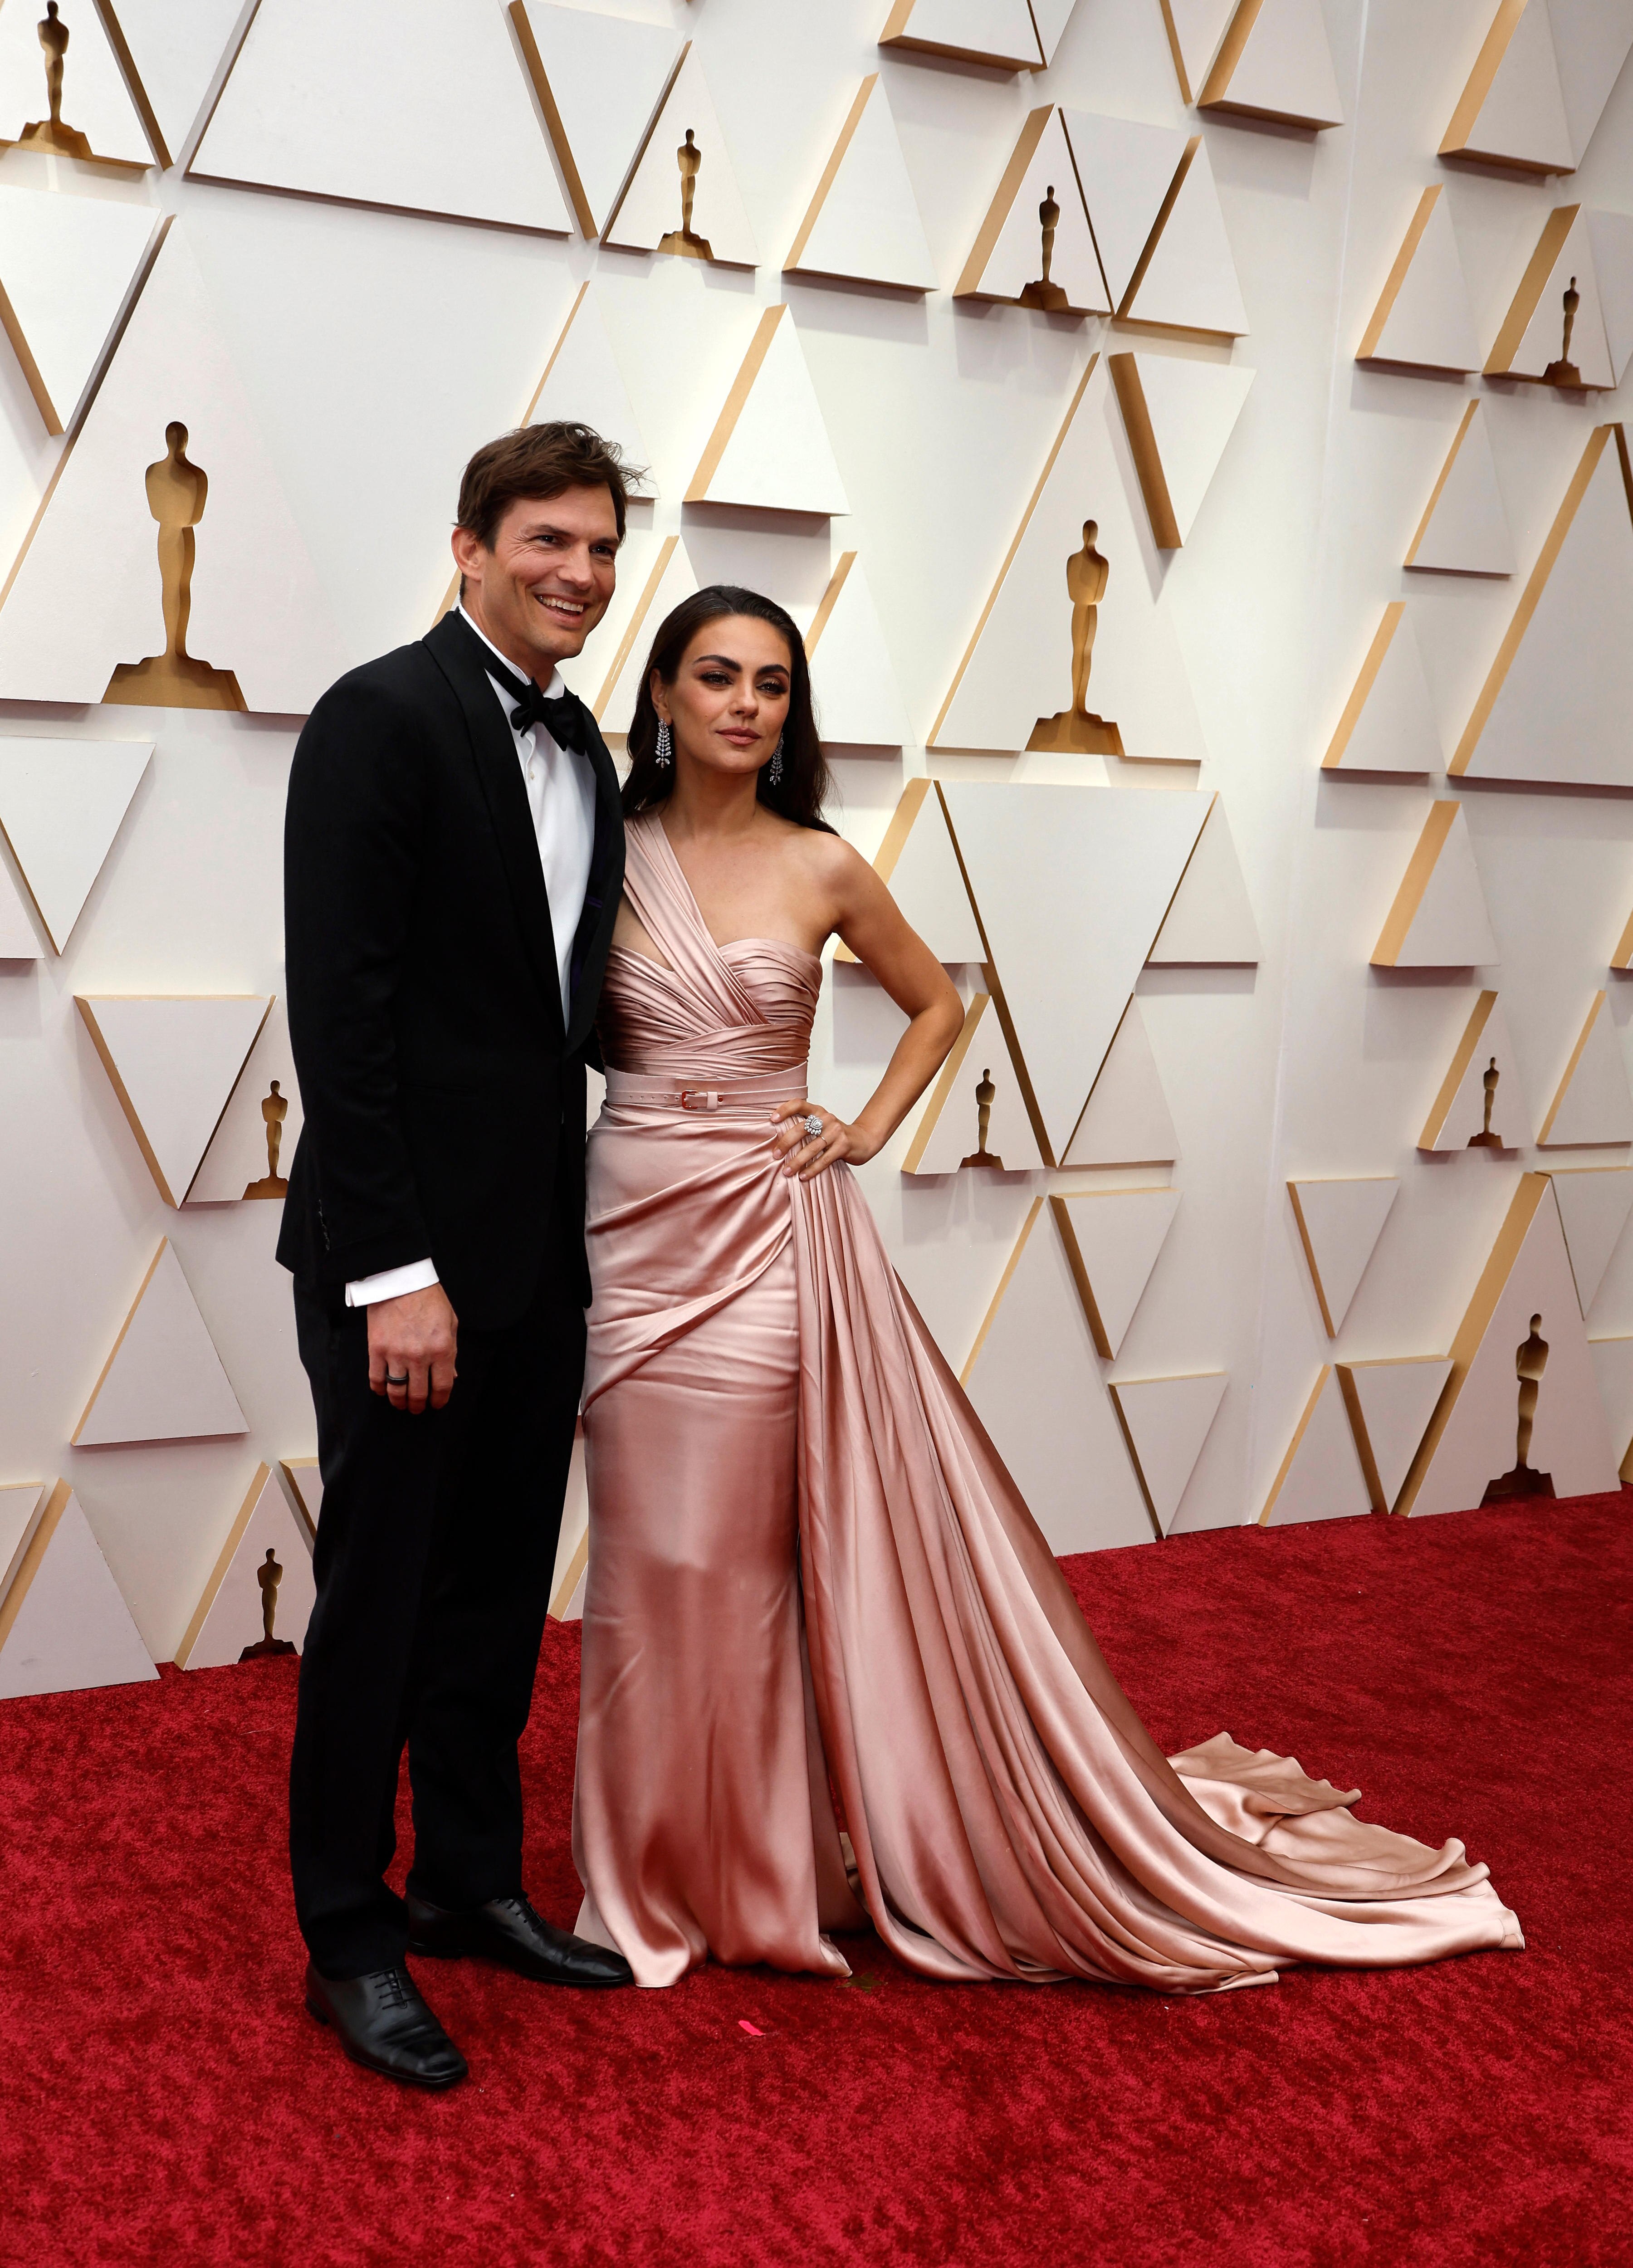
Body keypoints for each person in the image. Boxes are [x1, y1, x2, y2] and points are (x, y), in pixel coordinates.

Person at [571, 585, 1524, 1991]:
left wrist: (864, 1127)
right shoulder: (600, 855)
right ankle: (649, 1870)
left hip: (771, 1239)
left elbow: (941, 1002)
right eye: (715, 677)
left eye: (771, 685)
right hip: (632, 1224)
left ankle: (757, 1872)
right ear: (659, 695)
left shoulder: (822, 864)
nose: (744, 706)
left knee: (746, 1566)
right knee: (648, 1568)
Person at [279, 423, 637, 2090]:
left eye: (601, 548)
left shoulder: (590, 753)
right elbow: (340, 1020)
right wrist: (389, 1273)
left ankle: (468, 1884)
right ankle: (347, 1935)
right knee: (378, 1596)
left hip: (536, 1254)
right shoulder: (380, 716)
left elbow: (552, 1015)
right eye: (548, 542)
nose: (579, 573)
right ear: (469, 548)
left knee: (498, 1591)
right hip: (401, 1264)